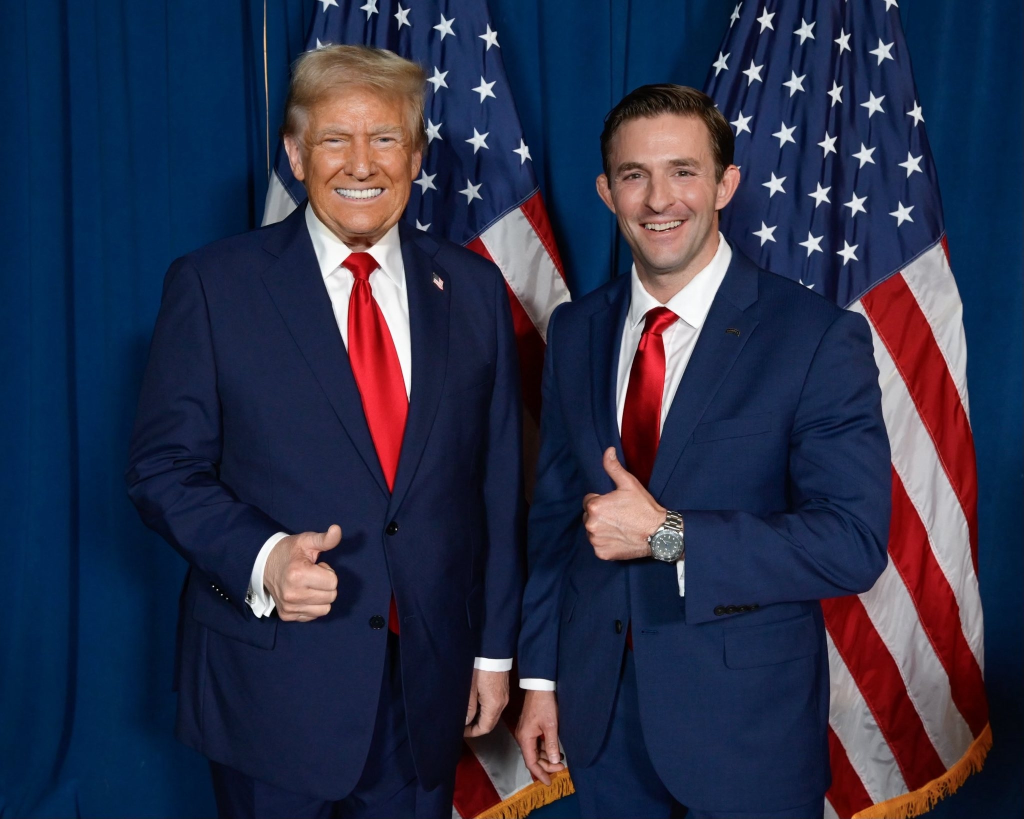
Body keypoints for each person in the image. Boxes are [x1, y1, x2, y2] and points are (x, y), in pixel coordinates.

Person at [126, 45, 524, 819]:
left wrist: (495, 650)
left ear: (415, 157)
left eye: (384, 138)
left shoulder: (472, 289)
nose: (360, 162)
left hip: (428, 686)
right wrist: (265, 556)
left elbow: (497, 484)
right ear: (295, 153)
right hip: (271, 687)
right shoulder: (214, 284)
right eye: (335, 139)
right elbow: (161, 467)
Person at [514, 85, 891, 819]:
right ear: (605, 190)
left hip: (746, 727)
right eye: (634, 175)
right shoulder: (576, 330)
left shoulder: (813, 337)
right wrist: (541, 679)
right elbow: (555, 519)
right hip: (603, 721)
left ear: (725, 184)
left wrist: (667, 535)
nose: (660, 199)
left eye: (683, 171)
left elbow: (853, 542)